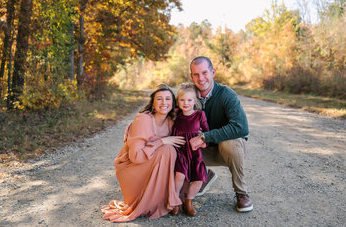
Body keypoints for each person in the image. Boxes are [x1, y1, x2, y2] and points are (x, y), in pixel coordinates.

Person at [101, 84, 185, 222]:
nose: (164, 103)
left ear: (173, 103)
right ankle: (157, 200)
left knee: (175, 150)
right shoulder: (144, 119)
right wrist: (162, 141)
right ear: (153, 103)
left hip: (150, 164)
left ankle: (172, 196)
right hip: (132, 169)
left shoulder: (171, 121)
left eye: (168, 99)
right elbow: (136, 157)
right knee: (168, 149)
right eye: (159, 99)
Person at [189, 56, 253, 212]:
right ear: (191, 76)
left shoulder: (226, 94)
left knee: (229, 142)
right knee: (175, 145)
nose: (201, 78)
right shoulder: (188, 95)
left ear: (213, 72)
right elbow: (167, 111)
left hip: (227, 151)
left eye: (204, 73)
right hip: (201, 151)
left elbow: (241, 128)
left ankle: (241, 193)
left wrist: (205, 137)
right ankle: (203, 175)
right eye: (196, 74)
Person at [171, 82, 210, 216]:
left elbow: (206, 133)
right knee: (179, 175)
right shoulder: (175, 114)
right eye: (182, 100)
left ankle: (189, 201)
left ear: (194, 101)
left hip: (194, 152)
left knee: (199, 178)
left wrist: (204, 143)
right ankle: (175, 200)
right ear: (178, 101)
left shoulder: (200, 115)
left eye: (189, 100)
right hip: (180, 151)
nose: (185, 103)